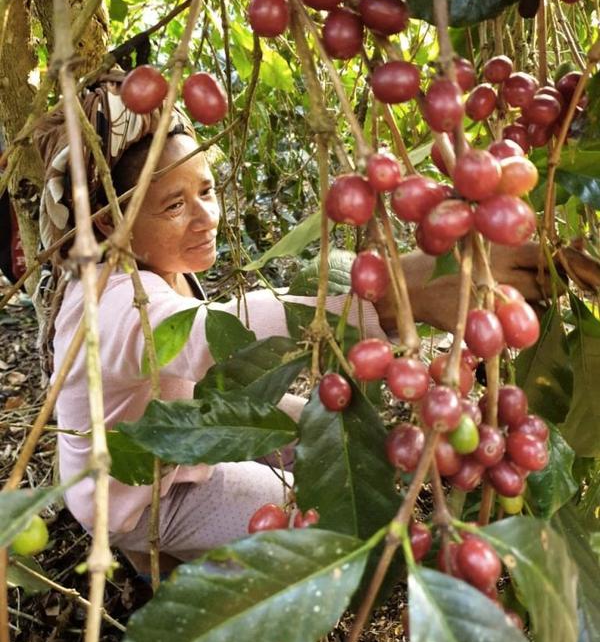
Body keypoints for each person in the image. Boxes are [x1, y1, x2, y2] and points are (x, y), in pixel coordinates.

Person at [35, 71, 546, 563]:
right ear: (110, 221)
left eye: (207, 191)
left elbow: (215, 359)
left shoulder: (155, 262)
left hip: (188, 434)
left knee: (333, 433)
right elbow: (202, 338)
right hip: (143, 499)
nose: (207, 217)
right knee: (311, 518)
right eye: (174, 205)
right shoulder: (107, 304)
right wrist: (393, 295)